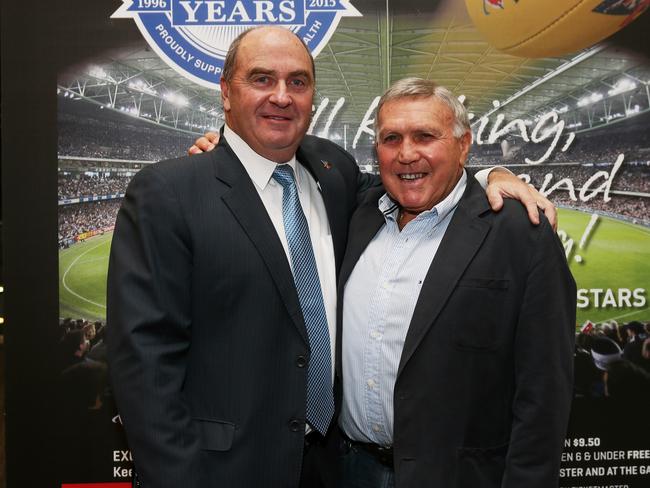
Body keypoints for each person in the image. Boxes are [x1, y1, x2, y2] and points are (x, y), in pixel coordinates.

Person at [107, 27, 557, 488]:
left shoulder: (334, 174)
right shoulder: (169, 192)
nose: (281, 96)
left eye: (298, 82)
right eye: (262, 79)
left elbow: (419, 175)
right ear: (226, 93)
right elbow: (143, 364)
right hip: (224, 470)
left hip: (331, 469)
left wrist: (491, 173)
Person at [336, 78, 576, 488]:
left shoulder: (521, 233)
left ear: (464, 145)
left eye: (425, 136)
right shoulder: (357, 211)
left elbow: (543, 396)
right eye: (391, 138)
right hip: (349, 469)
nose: (406, 153)